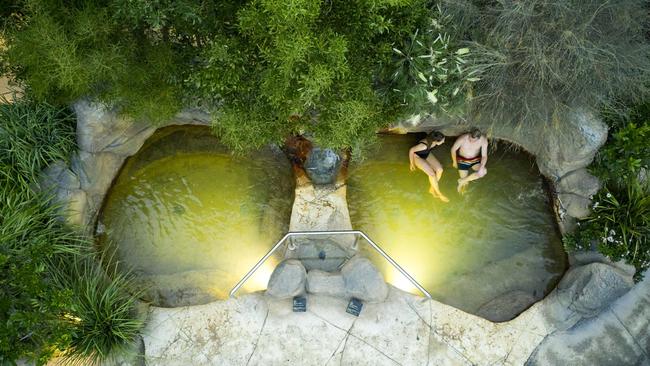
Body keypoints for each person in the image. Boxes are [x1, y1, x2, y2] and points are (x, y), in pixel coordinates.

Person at [409, 130, 449, 202]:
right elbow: (411, 150)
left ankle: (432, 188)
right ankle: (439, 194)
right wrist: (412, 164)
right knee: (432, 175)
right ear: (436, 141)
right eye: (442, 141)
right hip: (417, 157)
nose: (443, 142)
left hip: (426, 154)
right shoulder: (423, 146)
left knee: (440, 169)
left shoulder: (433, 141)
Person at [451, 128, 488, 193]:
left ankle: (462, 181)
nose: (471, 141)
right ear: (469, 134)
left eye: (474, 140)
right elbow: (453, 150)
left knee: (483, 171)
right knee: (465, 183)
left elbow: (484, 156)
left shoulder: (483, 140)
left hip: (475, 160)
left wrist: (482, 167)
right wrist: (454, 161)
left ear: (478, 138)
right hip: (462, 160)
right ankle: (462, 191)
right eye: (470, 139)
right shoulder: (462, 138)